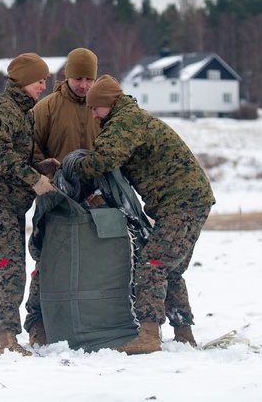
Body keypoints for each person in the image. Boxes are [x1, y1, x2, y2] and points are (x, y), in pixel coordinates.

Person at [72, 74, 216, 355]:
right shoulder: (129, 119)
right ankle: (184, 334)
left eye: (95, 108)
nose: (93, 115)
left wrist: (71, 170)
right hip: (187, 200)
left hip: (182, 201)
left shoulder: (126, 121)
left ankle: (149, 335)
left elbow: (105, 159)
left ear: (107, 104)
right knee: (170, 269)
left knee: (152, 264)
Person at [0, 52, 58, 357]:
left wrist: (40, 165)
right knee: (10, 266)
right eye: (39, 80)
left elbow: (20, 156)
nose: (43, 86)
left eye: (45, 80)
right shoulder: (3, 110)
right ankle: (7, 338)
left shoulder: (24, 112)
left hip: (11, 203)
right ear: (23, 80)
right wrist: (34, 180)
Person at [23, 47, 101, 346]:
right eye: (78, 78)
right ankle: (37, 322)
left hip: (98, 197)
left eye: (88, 79)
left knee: (98, 259)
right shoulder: (46, 108)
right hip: (55, 198)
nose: (83, 85)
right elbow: (30, 149)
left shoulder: (103, 105)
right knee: (48, 259)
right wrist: (51, 176)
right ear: (66, 76)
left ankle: (91, 317)